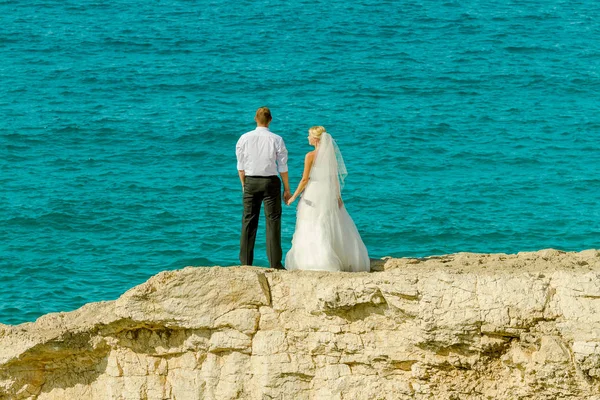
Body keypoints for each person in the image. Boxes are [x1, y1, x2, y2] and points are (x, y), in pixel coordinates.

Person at [285, 126, 369, 272]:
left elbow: (305, 180)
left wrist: (293, 197)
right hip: (327, 193)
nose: (307, 138)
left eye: (309, 135)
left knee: (311, 223)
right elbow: (334, 179)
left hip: (313, 192)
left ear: (315, 139)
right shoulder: (330, 157)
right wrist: (338, 196)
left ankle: (315, 261)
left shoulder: (310, 156)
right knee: (329, 223)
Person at [236, 107, 291, 269]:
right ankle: (275, 263)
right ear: (270, 120)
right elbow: (283, 167)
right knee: (273, 222)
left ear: (255, 119)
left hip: (251, 181)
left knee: (248, 221)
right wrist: (287, 189)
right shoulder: (277, 139)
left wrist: (244, 186)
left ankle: (246, 264)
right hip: (271, 183)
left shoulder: (244, 138)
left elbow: (241, 167)